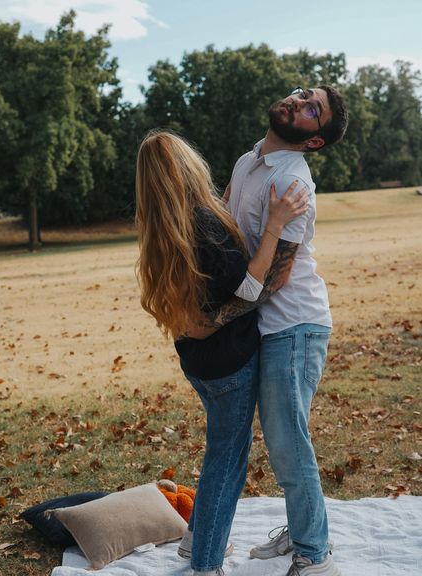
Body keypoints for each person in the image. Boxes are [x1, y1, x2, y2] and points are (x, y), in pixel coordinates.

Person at [189, 86, 349, 576]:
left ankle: (314, 555)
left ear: (314, 140)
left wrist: (211, 322)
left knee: (286, 440)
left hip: (294, 324)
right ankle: (299, 531)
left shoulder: (294, 182)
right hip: (262, 325)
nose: (298, 101)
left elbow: (275, 278)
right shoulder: (248, 161)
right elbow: (223, 228)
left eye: (311, 108)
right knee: (273, 438)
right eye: (303, 94)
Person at [135, 130, 308, 576]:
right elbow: (249, 289)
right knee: (227, 463)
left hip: (199, 361)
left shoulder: (162, 227)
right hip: (228, 360)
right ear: (189, 167)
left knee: (220, 453)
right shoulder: (204, 225)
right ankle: (206, 564)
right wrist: (273, 225)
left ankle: (195, 542)